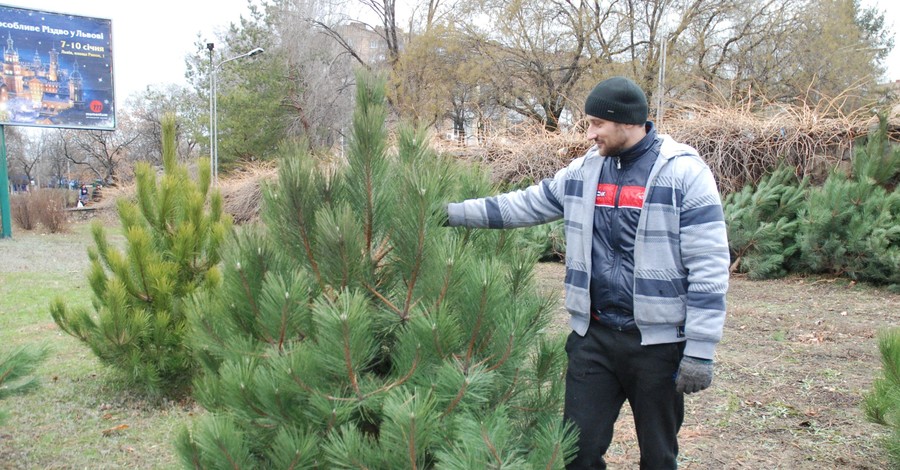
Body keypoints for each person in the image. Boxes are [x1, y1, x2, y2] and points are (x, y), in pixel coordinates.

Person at [444, 76, 730, 469]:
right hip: (593, 339)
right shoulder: (584, 172)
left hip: (657, 347)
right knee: (576, 454)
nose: (590, 132)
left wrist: (700, 350)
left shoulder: (684, 174)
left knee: (659, 457)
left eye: (597, 123)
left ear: (627, 122)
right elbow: (521, 206)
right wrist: (450, 213)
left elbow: (710, 266)